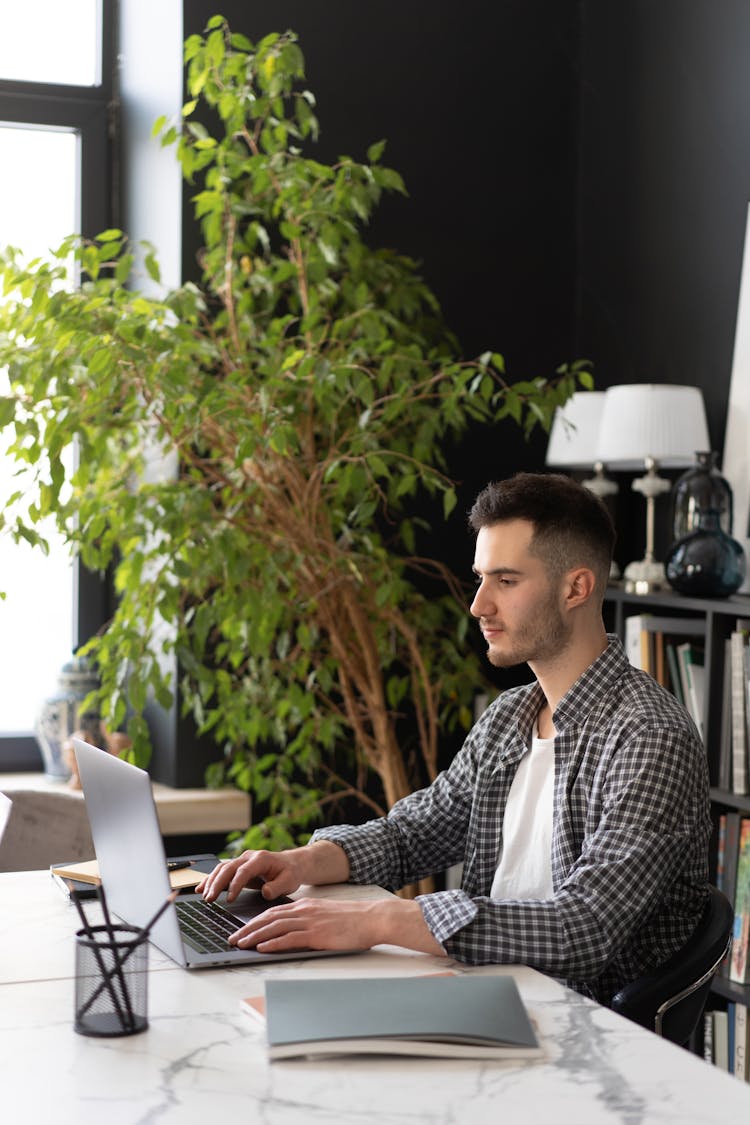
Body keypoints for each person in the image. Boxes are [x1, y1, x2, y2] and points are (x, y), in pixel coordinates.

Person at [197, 471, 711, 1004]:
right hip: (482, 994)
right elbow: (413, 833)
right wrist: (302, 862)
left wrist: (382, 919)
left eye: (506, 581)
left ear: (575, 588)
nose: (479, 606)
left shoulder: (649, 738)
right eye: (480, 578)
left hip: (582, 1032)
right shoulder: (510, 717)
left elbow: (583, 927)